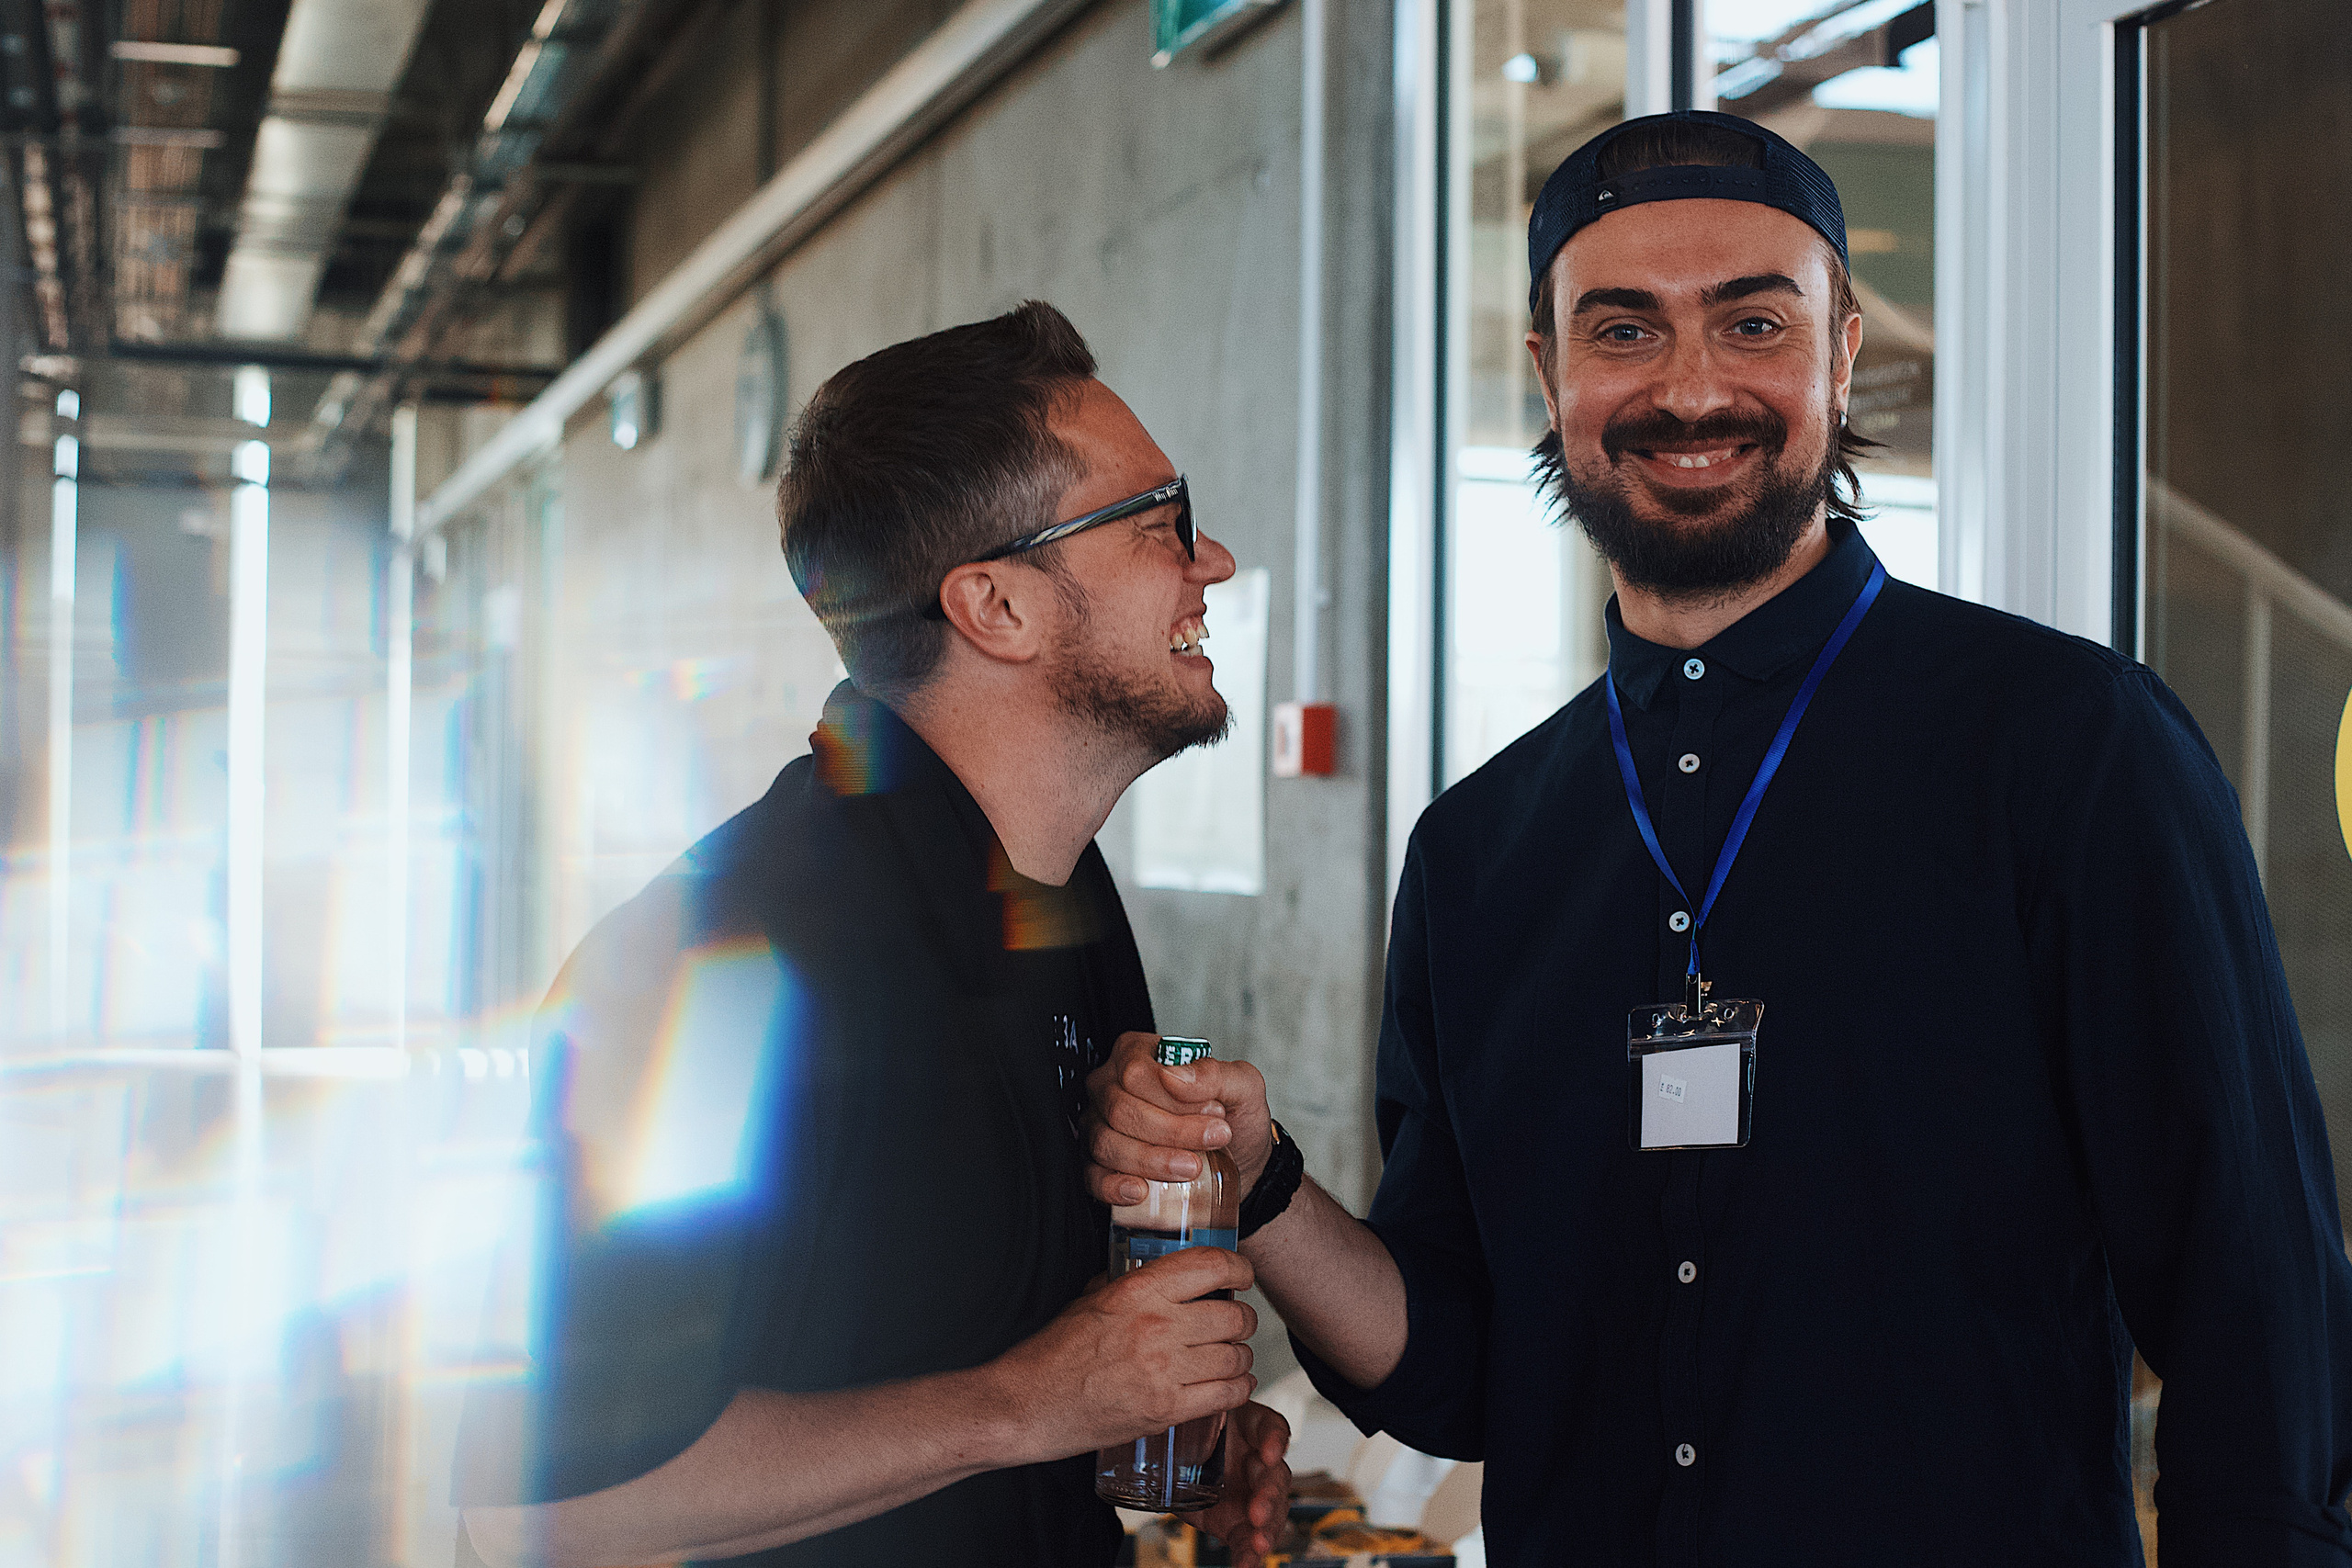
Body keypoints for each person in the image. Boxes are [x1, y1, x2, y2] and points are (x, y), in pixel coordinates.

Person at [1083, 111, 2352, 1563]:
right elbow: (1462, 1375)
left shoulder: (2070, 748)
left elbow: (2254, 1293)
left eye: (1754, 323)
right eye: (1624, 331)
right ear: (1550, 374)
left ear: (1842, 354)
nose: (1691, 389)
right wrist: (1265, 1183)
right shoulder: (1479, 854)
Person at [452, 301, 1292, 1568]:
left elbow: (1009, 1355)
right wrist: (1025, 1406)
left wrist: (1157, 1429)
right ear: (995, 605)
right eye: (1160, 522)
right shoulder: (712, 960)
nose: (1211, 560)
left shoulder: (1058, 896)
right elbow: (536, 1506)